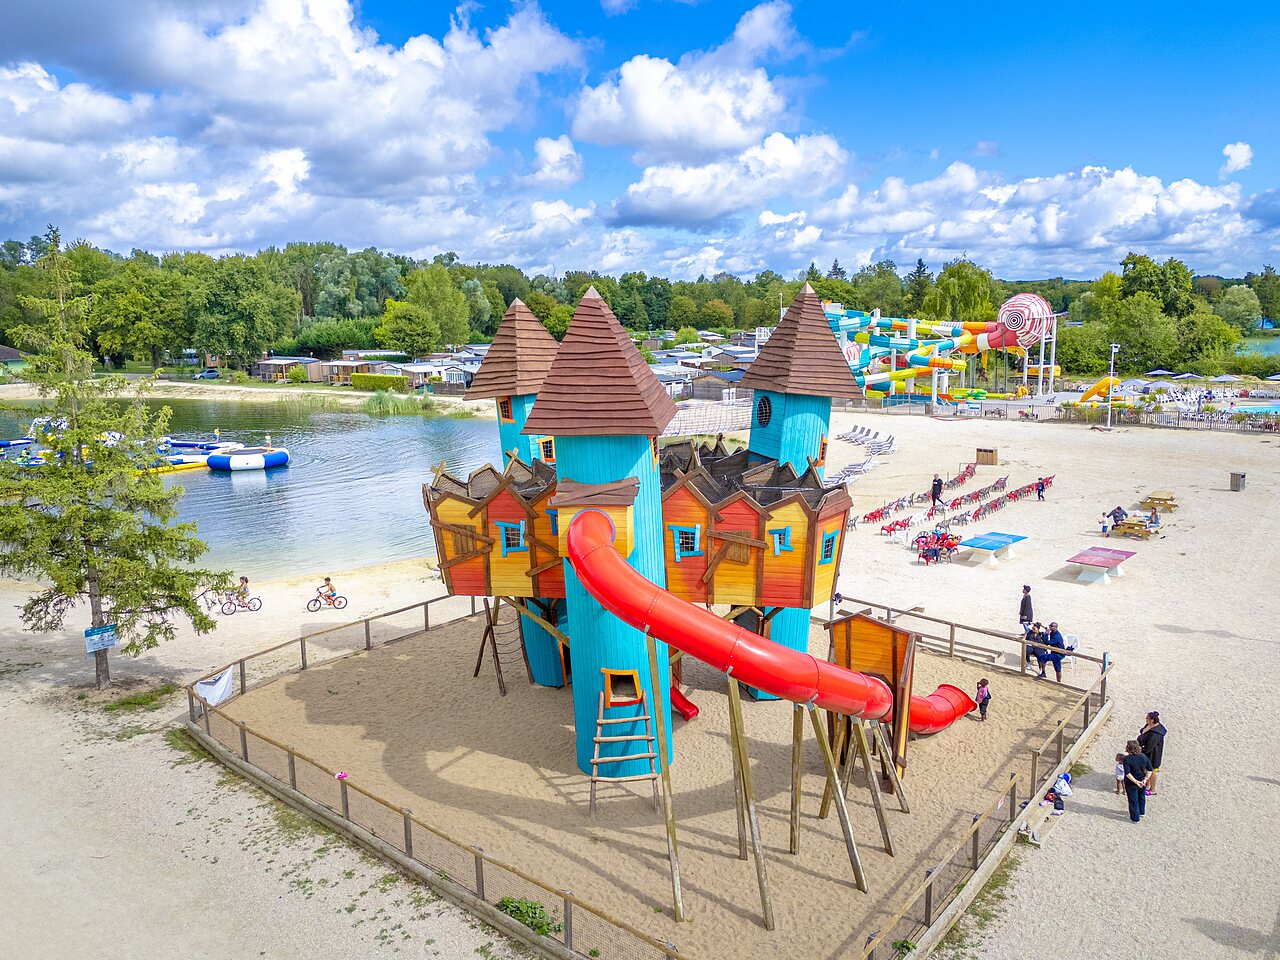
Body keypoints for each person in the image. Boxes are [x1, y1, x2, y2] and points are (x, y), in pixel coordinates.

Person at [1122, 740, 1153, 822]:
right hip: (1142, 780)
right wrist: (1145, 779)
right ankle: (1141, 812)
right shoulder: (1143, 757)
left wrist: (1136, 782)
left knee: (1133, 800)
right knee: (1141, 797)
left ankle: (1135, 818)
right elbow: (1150, 769)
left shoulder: (1127, 759)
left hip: (1132, 783)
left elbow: (1127, 773)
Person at [1138, 711, 1167, 795]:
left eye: (1147, 718)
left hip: (1154, 753)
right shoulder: (1149, 725)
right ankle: (1147, 785)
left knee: (1153, 770)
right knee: (1147, 769)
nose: (1146, 720)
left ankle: (1152, 789)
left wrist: (1140, 751)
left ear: (1152, 720)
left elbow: (1150, 745)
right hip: (1146, 750)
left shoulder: (1156, 733)